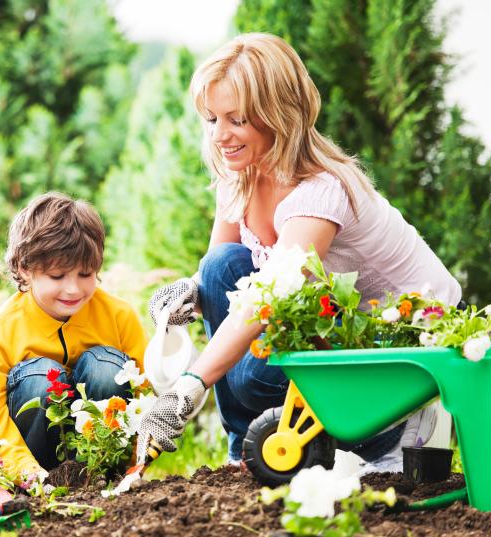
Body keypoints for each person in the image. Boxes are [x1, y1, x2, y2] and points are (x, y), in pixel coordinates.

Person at [137, 33, 460, 472]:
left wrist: (188, 388)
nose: (219, 135)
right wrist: (187, 294)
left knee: (251, 374)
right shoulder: (242, 173)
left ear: (278, 114)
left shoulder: (321, 191)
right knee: (217, 272)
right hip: (331, 326)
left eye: (236, 119)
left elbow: (268, 295)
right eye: (212, 119)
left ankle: (385, 432)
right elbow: (222, 267)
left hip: (398, 351)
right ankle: (245, 451)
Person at [0, 192, 148, 478]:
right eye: (57, 276)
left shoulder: (118, 316)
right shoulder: (3, 331)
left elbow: (145, 393)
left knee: (107, 369)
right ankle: (47, 477)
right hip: (36, 466)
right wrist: (26, 472)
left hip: (102, 452)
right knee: (41, 377)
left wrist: (136, 465)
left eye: (85, 274)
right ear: (25, 269)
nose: (74, 290)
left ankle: (102, 474)